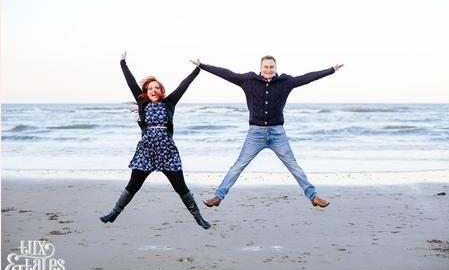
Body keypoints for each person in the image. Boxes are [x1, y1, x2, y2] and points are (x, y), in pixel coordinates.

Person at [190, 56, 343, 209]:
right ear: (261, 68)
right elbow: (226, 73)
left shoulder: (285, 82)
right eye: (266, 67)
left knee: (294, 166)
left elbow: (307, 78)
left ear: (276, 68)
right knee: (238, 166)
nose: (268, 70)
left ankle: (313, 196)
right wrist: (202, 65)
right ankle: (218, 196)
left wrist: (331, 70)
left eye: (271, 67)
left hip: (278, 134)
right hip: (255, 134)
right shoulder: (248, 80)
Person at [100, 51, 211, 229]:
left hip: (167, 151)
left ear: (161, 91)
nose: (153, 90)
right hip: (146, 151)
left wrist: (197, 70)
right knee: (133, 185)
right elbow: (130, 82)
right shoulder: (142, 104)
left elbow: (184, 86)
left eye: (156, 88)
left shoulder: (169, 103)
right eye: (150, 88)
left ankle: (198, 217)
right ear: (146, 92)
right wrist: (123, 63)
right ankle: (114, 213)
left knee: (180, 187)